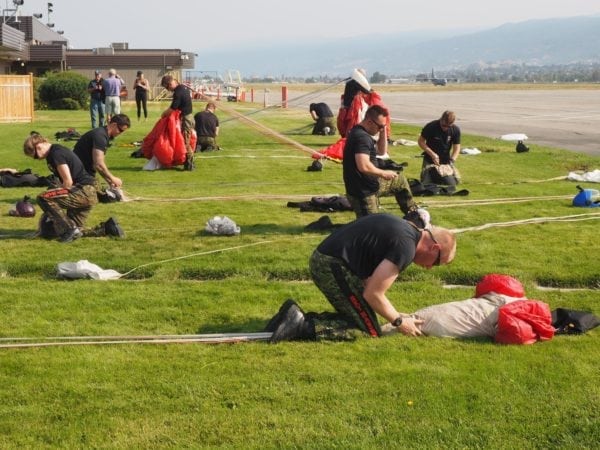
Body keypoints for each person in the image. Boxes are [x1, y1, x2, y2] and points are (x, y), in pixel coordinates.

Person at [265, 213, 456, 342]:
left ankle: (292, 315)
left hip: (328, 259)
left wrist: (395, 313)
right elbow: (373, 294)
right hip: (331, 265)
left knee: (364, 319)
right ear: (434, 248)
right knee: (368, 331)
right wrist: (399, 321)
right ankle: (301, 324)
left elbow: (369, 282)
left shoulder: (407, 230)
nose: (429, 268)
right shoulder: (406, 248)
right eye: (436, 262)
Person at [22, 133, 123, 243]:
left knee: (43, 198)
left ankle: (70, 229)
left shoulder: (56, 154)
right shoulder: (57, 151)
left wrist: (54, 202)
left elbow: (68, 181)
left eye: (35, 156)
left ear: (38, 146)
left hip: (82, 191)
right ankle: (107, 228)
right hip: (89, 192)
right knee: (74, 229)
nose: (37, 159)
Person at [343, 104, 420, 220]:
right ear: (369, 122)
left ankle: (413, 215)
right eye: (379, 126)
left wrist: (383, 130)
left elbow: (381, 151)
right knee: (371, 226)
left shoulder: (361, 133)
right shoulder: (362, 138)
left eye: (383, 126)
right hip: (363, 192)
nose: (380, 129)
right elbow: (363, 166)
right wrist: (383, 173)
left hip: (372, 183)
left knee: (399, 180)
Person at [73, 114, 130, 202]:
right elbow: (98, 164)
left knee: (109, 197)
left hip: (85, 174)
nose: (120, 133)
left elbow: (98, 165)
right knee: (94, 199)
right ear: (114, 125)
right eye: (120, 130)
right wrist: (112, 178)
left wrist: (110, 181)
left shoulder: (104, 135)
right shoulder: (100, 136)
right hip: (78, 175)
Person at [418, 110, 461, 186]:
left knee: (451, 184)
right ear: (441, 119)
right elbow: (421, 141)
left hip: (445, 162)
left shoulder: (455, 129)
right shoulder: (431, 126)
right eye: (444, 125)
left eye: (448, 126)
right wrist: (433, 154)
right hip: (430, 160)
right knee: (427, 184)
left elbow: (457, 147)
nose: (445, 128)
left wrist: (452, 160)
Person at [161, 75, 195, 171]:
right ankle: (187, 162)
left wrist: (164, 114)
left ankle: (190, 164)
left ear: (169, 84)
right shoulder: (183, 88)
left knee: (185, 141)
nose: (168, 90)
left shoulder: (178, 92)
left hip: (186, 119)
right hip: (188, 117)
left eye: (167, 87)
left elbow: (173, 108)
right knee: (185, 140)